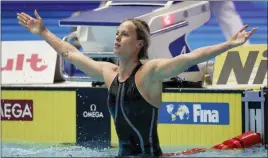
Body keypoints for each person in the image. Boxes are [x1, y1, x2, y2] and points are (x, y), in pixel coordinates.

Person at [17, 10, 256, 157]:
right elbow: (70, 53)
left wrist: (229, 44)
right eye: (117, 33)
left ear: (140, 43)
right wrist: (43, 32)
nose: (117, 37)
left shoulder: (150, 72)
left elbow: (192, 57)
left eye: (125, 34)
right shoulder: (107, 72)